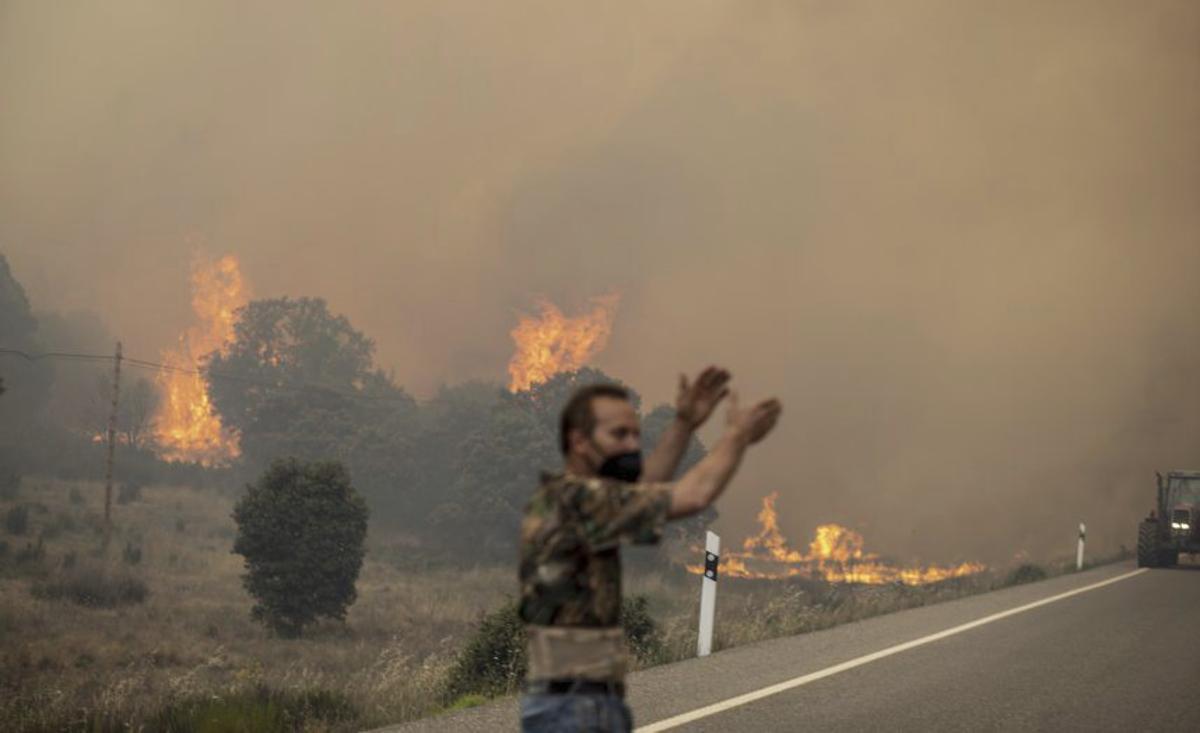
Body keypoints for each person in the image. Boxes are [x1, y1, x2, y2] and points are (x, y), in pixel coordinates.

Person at [518, 367, 782, 732]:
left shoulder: (573, 500)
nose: (631, 445)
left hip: (581, 702)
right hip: (573, 708)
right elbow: (693, 495)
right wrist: (737, 435)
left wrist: (684, 424)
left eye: (635, 435)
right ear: (579, 441)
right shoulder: (577, 502)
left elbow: (643, 488)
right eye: (618, 434)